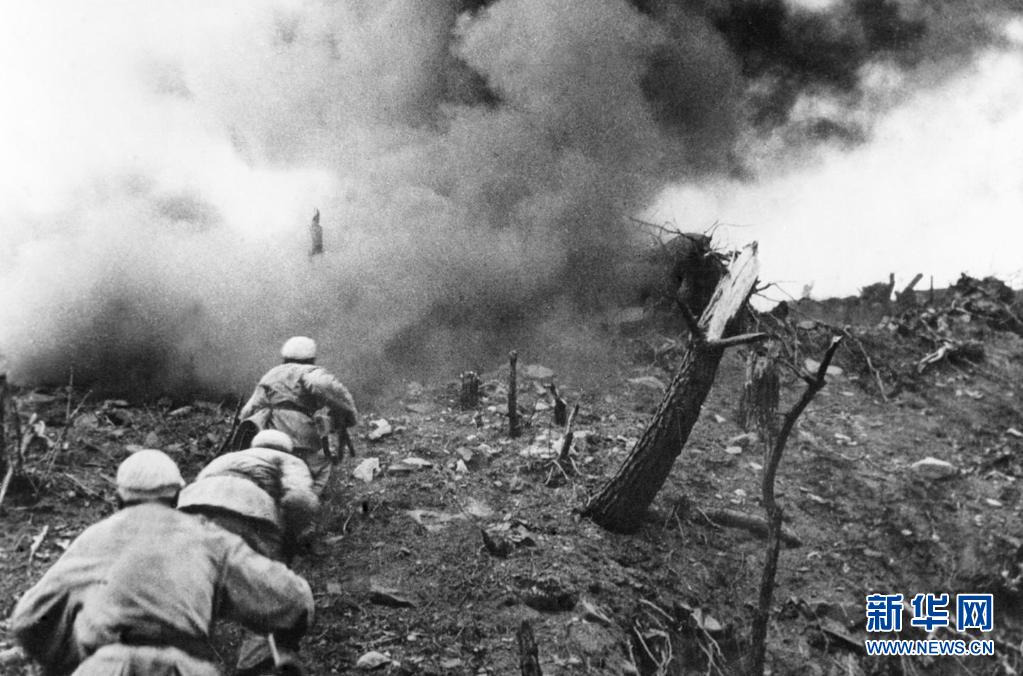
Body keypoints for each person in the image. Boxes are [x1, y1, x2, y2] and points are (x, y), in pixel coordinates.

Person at [10, 450, 314, 676]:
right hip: (184, 667)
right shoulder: (207, 538)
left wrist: (73, 661)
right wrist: (285, 642)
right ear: (178, 496)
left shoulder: (93, 538)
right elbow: (293, 599)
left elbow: (27, 619)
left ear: (119, 498)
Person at [238, 336, 358, 494]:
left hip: (269, 430)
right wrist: (348, 416)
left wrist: (243, 422)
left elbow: (250, 407)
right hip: (299, 431)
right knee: (319, 466)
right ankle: (309, 499)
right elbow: (323, 385)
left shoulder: (272, 374)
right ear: (311, 358)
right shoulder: (309, 371)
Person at [196, 429, 319, 560]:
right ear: (287, 448)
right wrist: (301, 536)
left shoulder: (225, 458)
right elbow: (299, 498)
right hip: (246, 505)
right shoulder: (289, 459)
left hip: (196, 503)